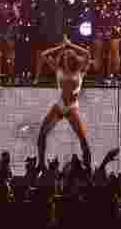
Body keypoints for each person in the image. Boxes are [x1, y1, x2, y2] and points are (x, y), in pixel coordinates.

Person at [37, 35, 93, 169]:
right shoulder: (59, 69)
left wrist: (70, 44)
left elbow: (87, 54)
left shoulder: (80, 71)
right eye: (65, 55)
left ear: (73, 58)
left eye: (69, 55)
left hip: (71, 107)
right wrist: (62, 47)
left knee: (83, 138)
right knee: (42, 133)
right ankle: (41, 163)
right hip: (60, 104)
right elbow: (44, 54)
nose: (66, 56)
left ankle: (88, 167)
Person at [30, 0, 76, 83]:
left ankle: (58, 76)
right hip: (43, 19)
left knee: (59, 49)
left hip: (58, 19)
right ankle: (37, 76)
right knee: (40, 50)